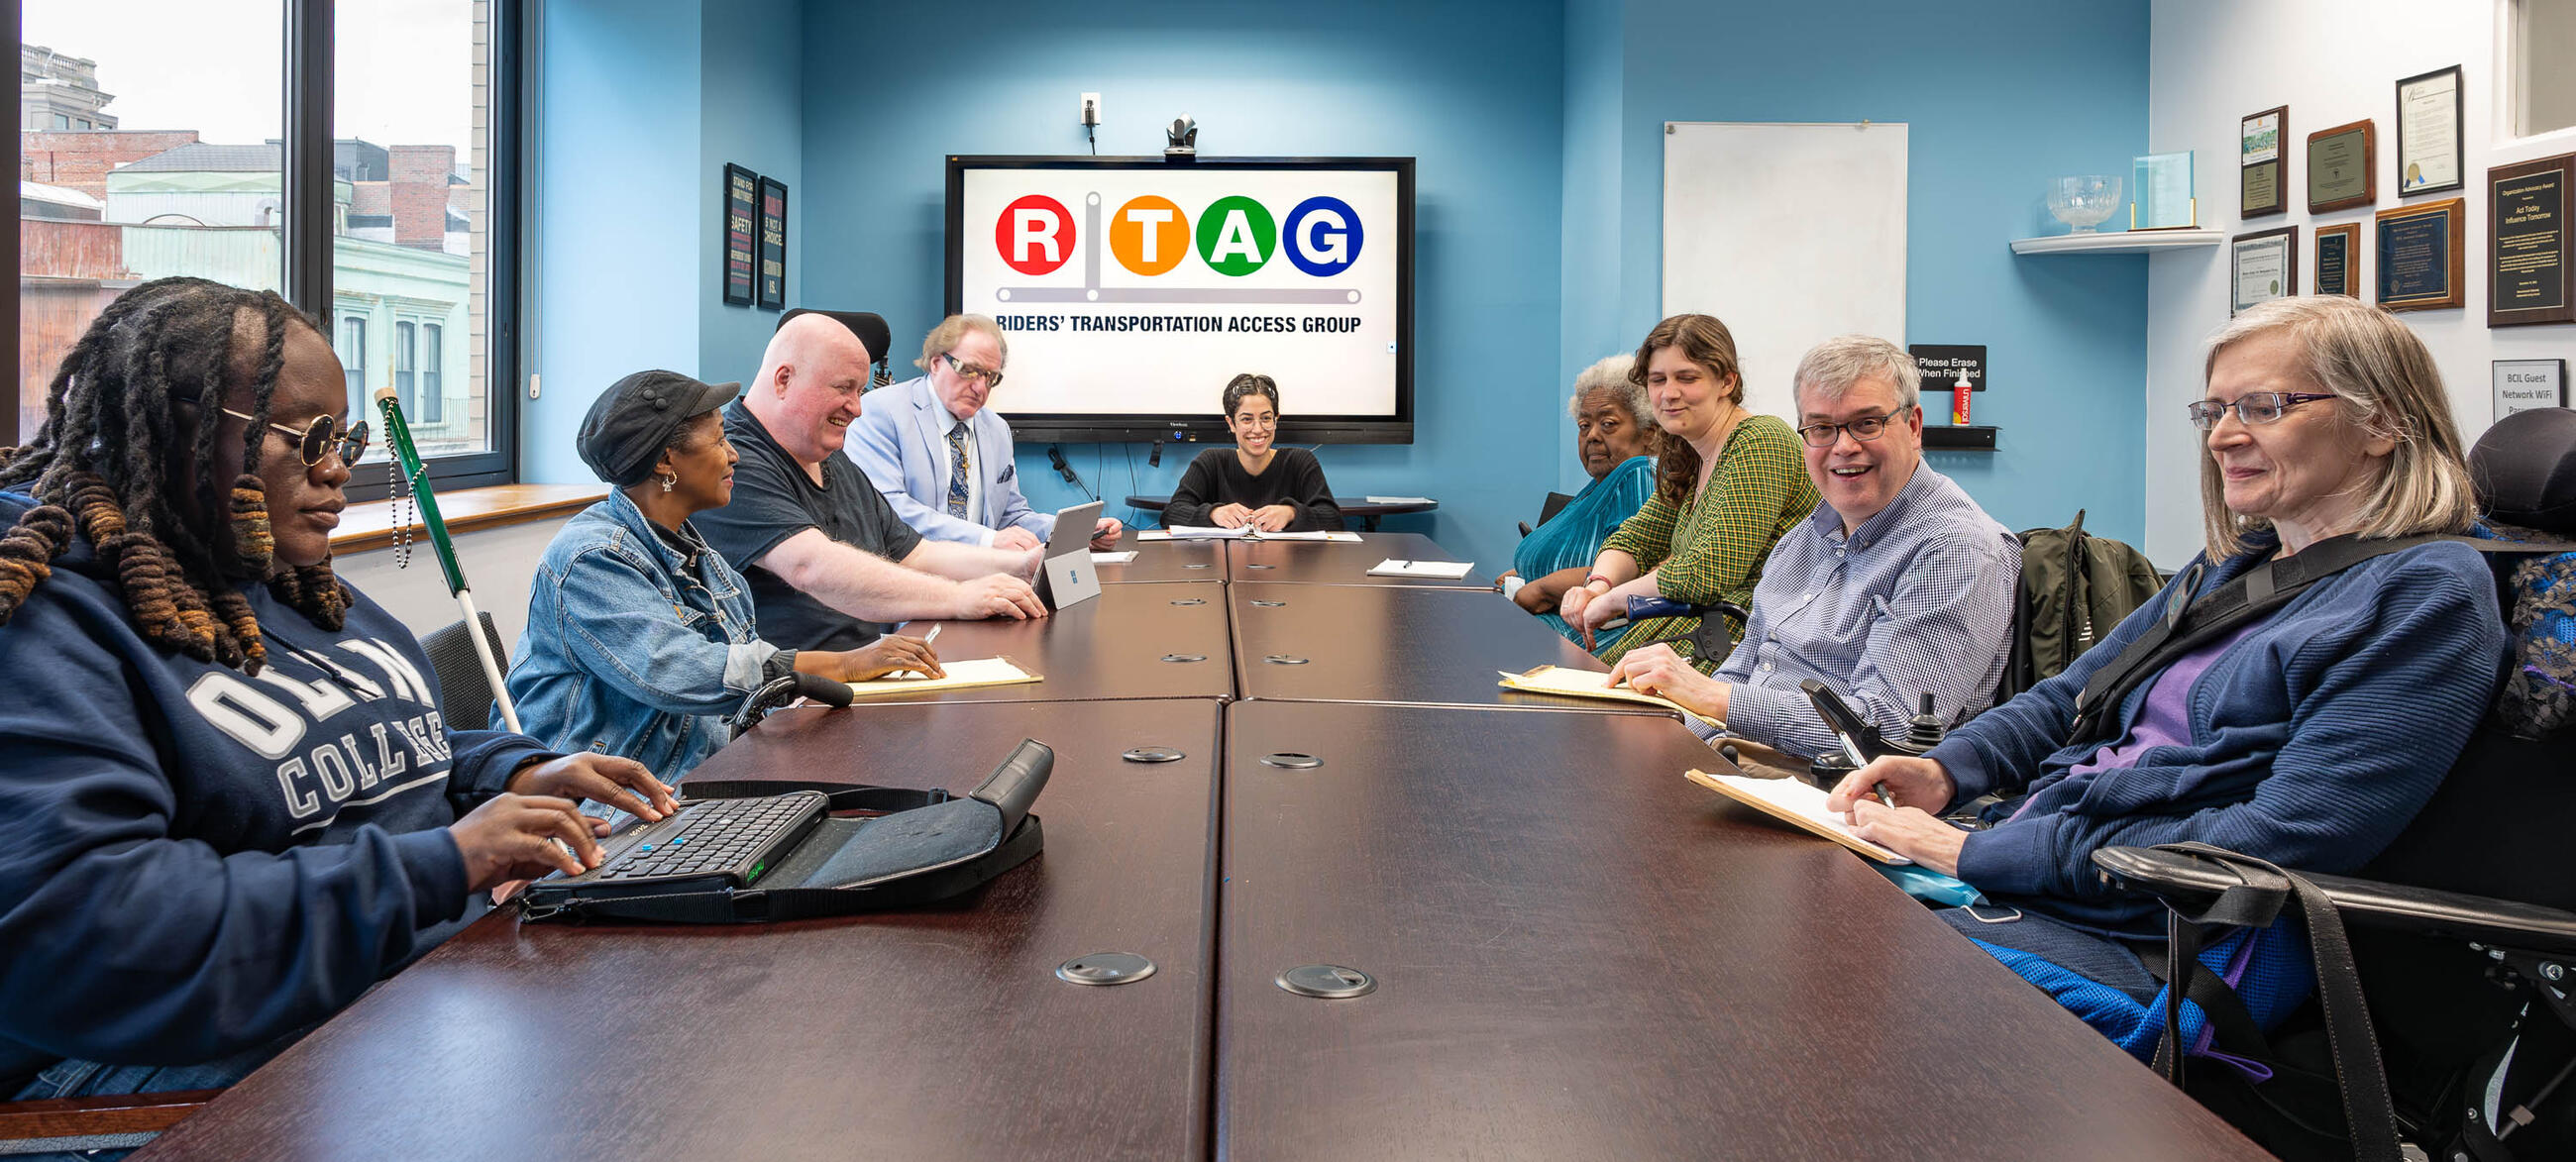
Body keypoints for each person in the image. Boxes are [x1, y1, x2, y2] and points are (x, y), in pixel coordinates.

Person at [0, 277, 674, 1110]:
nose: (339, 469)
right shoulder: (46, 625)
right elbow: (92, 935)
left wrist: (507, 774)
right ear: (180, 431)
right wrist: (446, 861)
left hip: (401, 979)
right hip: (166, 1063)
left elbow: (373, 750)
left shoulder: (291, 583)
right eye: (309, 436)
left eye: (346, 437)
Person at [1820, 297, 2508, 1014]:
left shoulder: (2428, 594)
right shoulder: (2239, 564)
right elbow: (2069, 697)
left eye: (2264, 406)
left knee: (1838, 960)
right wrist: (1945, 769)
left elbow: (2273, 839)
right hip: (2049, 868)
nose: (2223, 438)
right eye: (2214, 412)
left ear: (2382, 422)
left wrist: (1973, 855)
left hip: (2157, 938)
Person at [504, 370, 943, 779]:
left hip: (701, 771)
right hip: (612, 807)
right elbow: (683, 672)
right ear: (666, 461)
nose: (732, 455)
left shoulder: (700, 554)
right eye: (718, 441)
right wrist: (847, 664)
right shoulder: (592, 559)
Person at [1608, 335, 2018, 759]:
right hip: (1733, 758)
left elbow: (1890, 732)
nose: (1843, 446)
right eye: (1822, 428)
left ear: (1913, 427)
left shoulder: (1957, 550)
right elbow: (1742, 670)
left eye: (1866, 423)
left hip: (1838, 792)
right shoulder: (1803, 540)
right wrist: (1669, 726)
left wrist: (1714, 700)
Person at [693, 310, 1049, 654]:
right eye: (844, 388)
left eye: (860, 391)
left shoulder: (834, 460)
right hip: (788, 700)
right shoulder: (732, 463)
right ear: (783, 379)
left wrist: (1019, 567)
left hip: (863, 672)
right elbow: (810, 566)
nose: (857, 408)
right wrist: (960, 597)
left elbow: (917, 554)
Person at [1559, 314, 1815, 670]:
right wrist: (1599, 586)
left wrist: (1614, 600)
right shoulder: (1687, 451)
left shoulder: (1760, 440)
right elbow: (1639, 537)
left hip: (1751, 644)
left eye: (1687, 378)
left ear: (1727, 381)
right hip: (1701, 630)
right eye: (1657, 380)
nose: (1668, 393)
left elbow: (1710, 570)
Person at [844, 313, 1122, 552]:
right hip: (908, 575)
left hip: (981, 576)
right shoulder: (881, 411)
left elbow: (1011, 516)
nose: (980, 388)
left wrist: (1073, 533)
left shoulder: (996, 428)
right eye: (970, 371)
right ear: (936, 363)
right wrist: (986, 540)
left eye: (991, 377)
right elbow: (888, 510)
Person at [1502, 354, 1658, 649]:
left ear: (1648, 433)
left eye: (1608, 424)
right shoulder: (1599, 485)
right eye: (1584, 426)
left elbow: (1636, 571)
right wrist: (1523, 575)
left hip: (1583, 645)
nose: (1592, 436)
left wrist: (1544, 588)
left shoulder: (1637, 473)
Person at [1161, 374, 1342, 531]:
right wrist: (1213, 514)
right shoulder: (1211, 461)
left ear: (1276, 420)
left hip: (1288, 567)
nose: (1258, 429)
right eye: (1247, 419)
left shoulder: (1300, 461)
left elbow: (1334, 519)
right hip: (1220, 565)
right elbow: (1171, 514)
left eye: (1266, 418)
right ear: (1231, 423)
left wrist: (1291, 513)